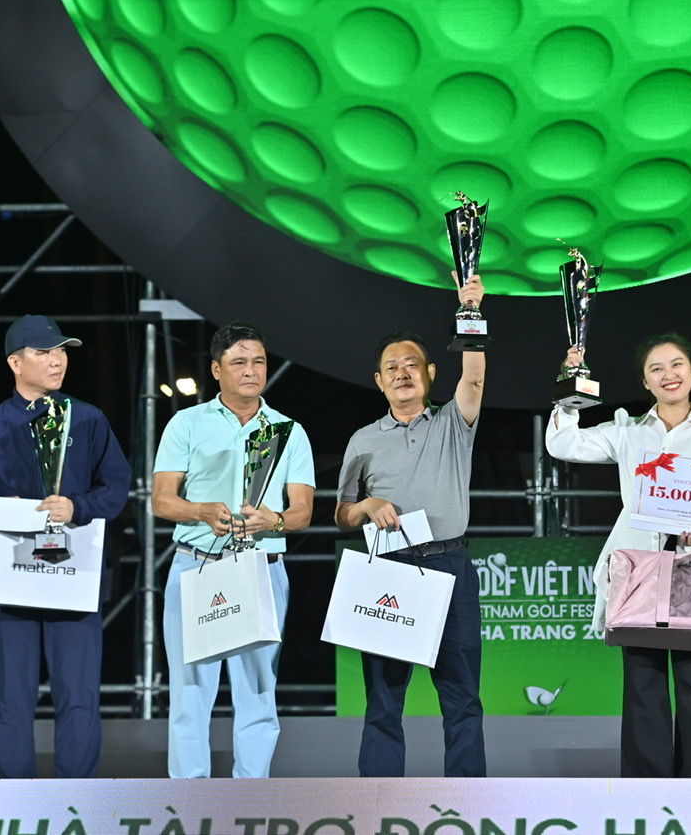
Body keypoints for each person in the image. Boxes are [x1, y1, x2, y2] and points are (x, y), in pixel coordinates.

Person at [0, 314, 131, 778]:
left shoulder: (87, 419)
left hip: (74, 574)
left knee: (79, 692)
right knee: (8, 695)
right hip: (12, 579)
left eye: (62, 351)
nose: (57, 360)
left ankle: (77, 798)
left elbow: (118, 485)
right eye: (44, 352)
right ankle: (12, 799)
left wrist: (78, 506)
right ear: (15, 363)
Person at [546, 334, 691, 778]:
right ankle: (647, 793)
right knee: (643, 679)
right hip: (638, 567)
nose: (668, 374)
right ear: (645, 382)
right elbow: (563, 445)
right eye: (657, 369)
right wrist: (570, 388)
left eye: (677, 365)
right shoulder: (628, 431)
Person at [334, 273, 487, 778]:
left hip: (450, 566)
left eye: (412, 365)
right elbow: (341, 513)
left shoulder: (452, 422)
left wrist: (470, 311)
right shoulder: (361, 440)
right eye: (391, 368)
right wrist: (367, 504)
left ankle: (467, 808)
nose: (402, 374)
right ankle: (378, 808)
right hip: (390, 569)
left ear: (431, 373)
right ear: (378, 380)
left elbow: (475, 379)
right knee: (382, 701)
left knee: (463, 699)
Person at [152, 322, 315, 779]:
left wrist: (275, 520)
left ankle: (250, 803)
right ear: (216, 370)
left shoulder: (288, 431)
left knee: (259, 693)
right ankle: (189, 805)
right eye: (239, 362)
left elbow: (301, 510)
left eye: (258, 361)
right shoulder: (186, 422)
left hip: (261, 568)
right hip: (196, 567)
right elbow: (161, 500)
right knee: (189, 694)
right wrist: (201, 511)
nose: (250, 371)